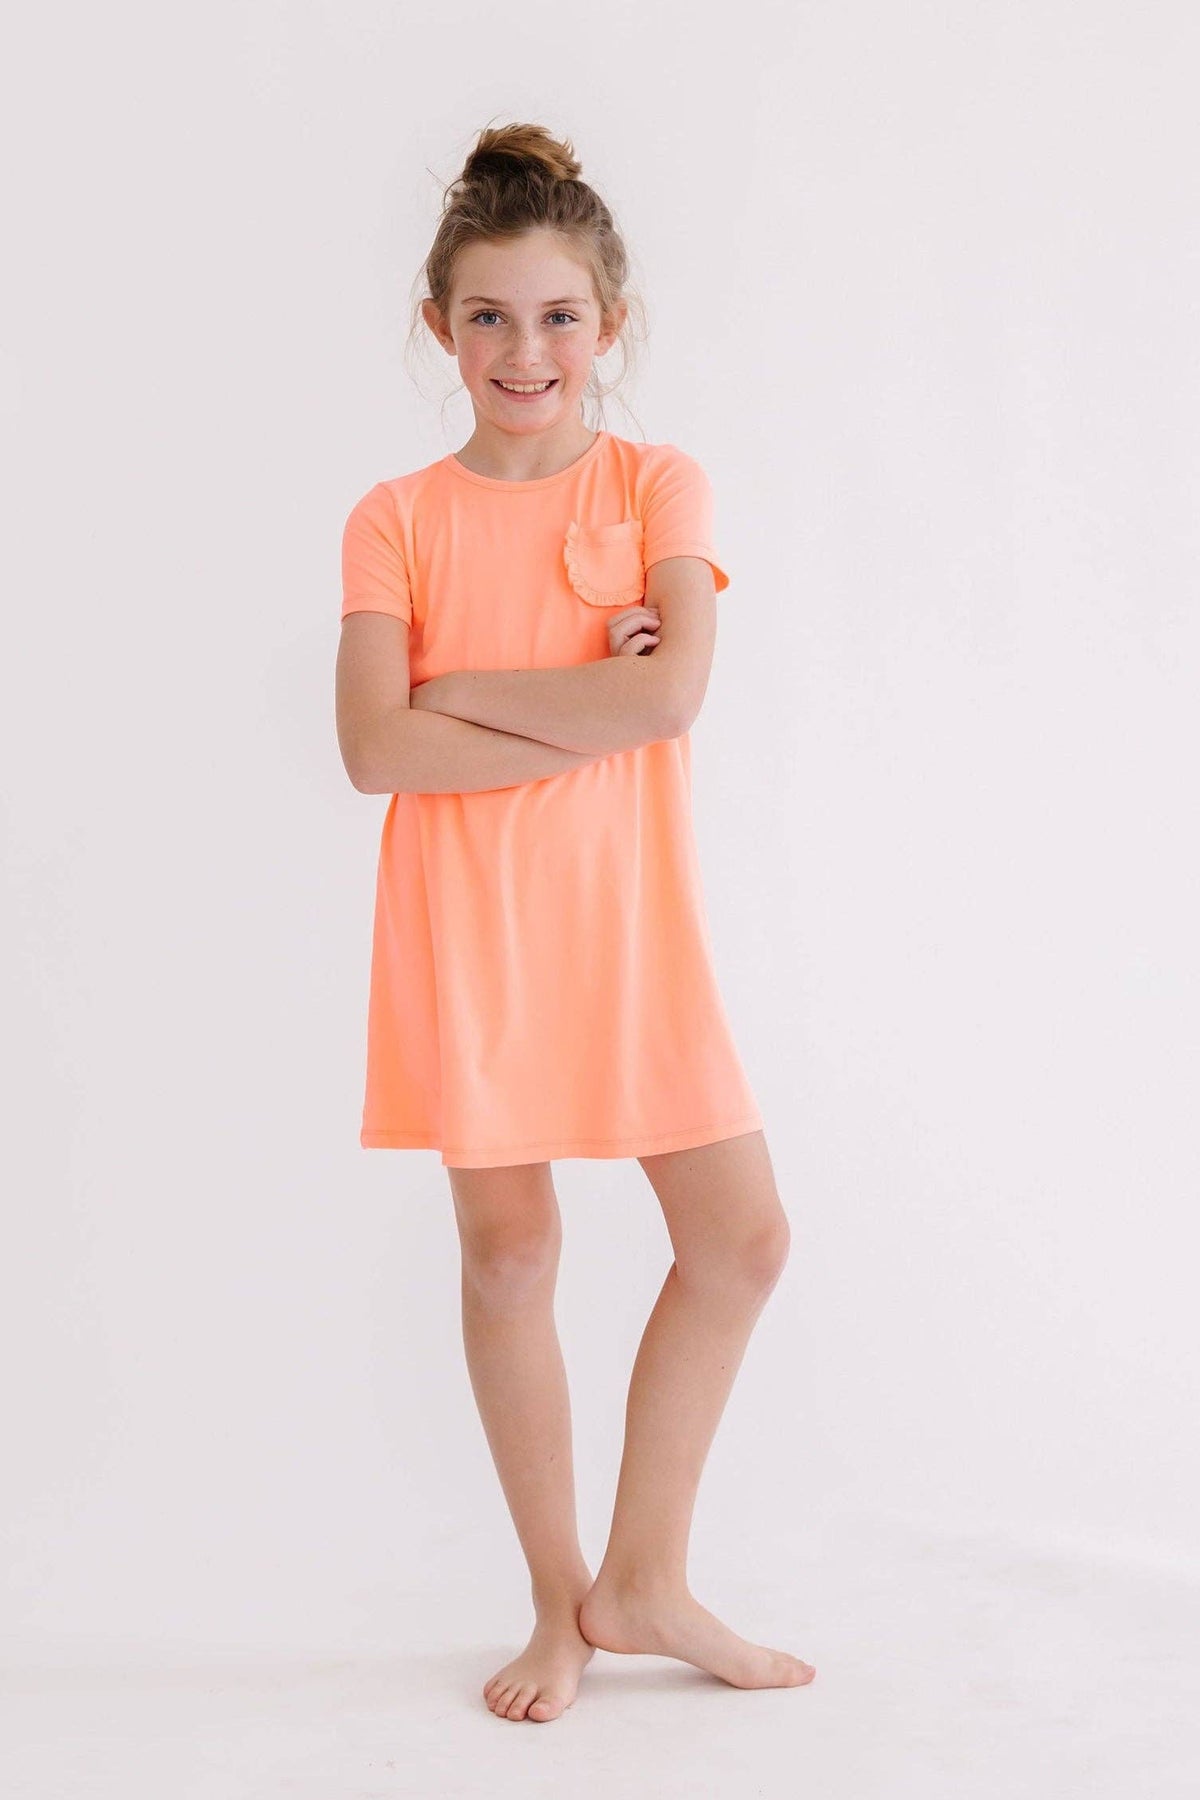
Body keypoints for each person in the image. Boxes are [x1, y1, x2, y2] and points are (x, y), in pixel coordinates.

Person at [335, 121, 815, 1724]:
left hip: (628, 925)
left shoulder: (657, 485)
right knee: (513, 1251)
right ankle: (560, 1604)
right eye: (488, 316)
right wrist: (575, 700)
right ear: (440, 326)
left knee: (740, 1239)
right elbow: (371, 749)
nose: (523, 350)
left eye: (555, 316)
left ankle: (646, 1575)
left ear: (608, 323)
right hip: (470, 931)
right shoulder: (395, 516)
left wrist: (461, 687)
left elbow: (668, 701)